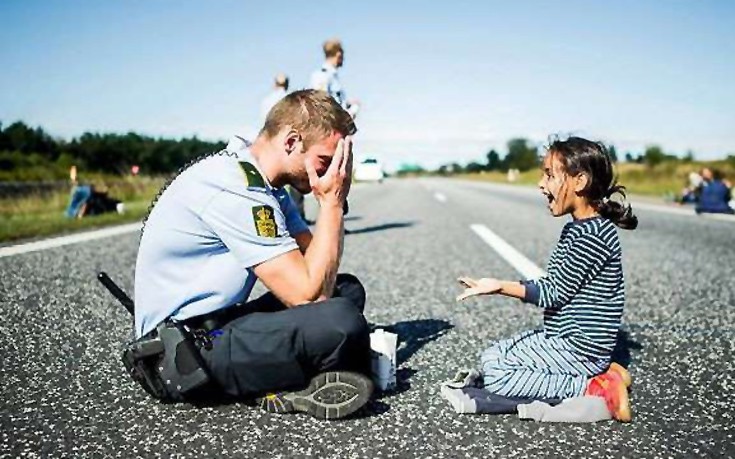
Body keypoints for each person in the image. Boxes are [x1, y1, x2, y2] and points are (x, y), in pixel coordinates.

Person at [133, 90, 373, 420]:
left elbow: (316, 260)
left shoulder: (266, 184)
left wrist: (335, 205)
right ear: (291, 142)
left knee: (347, 290)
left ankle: (281, 370)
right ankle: (278, 380)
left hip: (216, 323)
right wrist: (330, 204)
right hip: (180, 354)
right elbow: (310, 295)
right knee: (340, 321)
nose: (333, 172)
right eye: (325, 161)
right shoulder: (234, 185)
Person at [444, 137, 638, 422]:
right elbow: (559, 283)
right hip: (563, 338)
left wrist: (498, 286)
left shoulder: (592, 237)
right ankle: (603, 370)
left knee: (497, 377)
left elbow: (553, 292)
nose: (541, 184)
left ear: (579, 181)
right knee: (492, 356)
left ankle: (591, 385)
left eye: (549, 175)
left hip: (578, 348)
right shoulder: (581, 228)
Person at [310, 38, 360, 119]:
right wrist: (352, 111)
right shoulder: (322, 76)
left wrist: (347, 103)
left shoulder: (331, 77)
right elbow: (322, 107)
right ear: (338, 54)